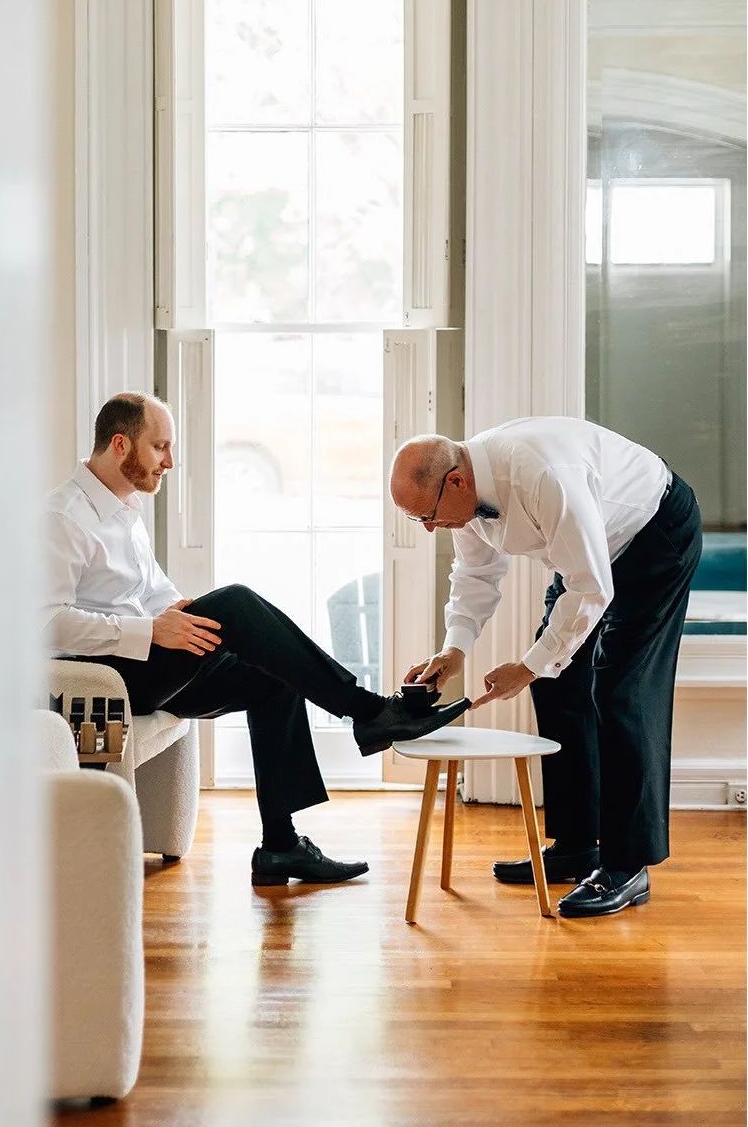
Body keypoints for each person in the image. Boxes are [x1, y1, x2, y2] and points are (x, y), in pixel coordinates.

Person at [43, 392, 468, 888]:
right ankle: (368, 711)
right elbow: (46, 622)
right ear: (120, 444)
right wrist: (150, 629)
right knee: (237, 602)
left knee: (273, 674)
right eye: (160, 447)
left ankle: (280, 846)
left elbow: (154, 591)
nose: (170, 461)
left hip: (148, 661)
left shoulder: (123, 508)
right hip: (106, 679)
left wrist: (176, 612)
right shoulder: (63, 517)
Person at [390, 416, 701, 918]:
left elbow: (590, 586)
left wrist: (529, 664)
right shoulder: (462, 498)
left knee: (620, 692)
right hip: (586, 553)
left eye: (427, 515)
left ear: (456, 481)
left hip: (653, 533)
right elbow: (475, 571)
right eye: (417, 521)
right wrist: (456, 648)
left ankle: (627, 867)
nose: (429, 528)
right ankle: (579, 845)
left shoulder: (541, 474)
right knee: (558, 686)